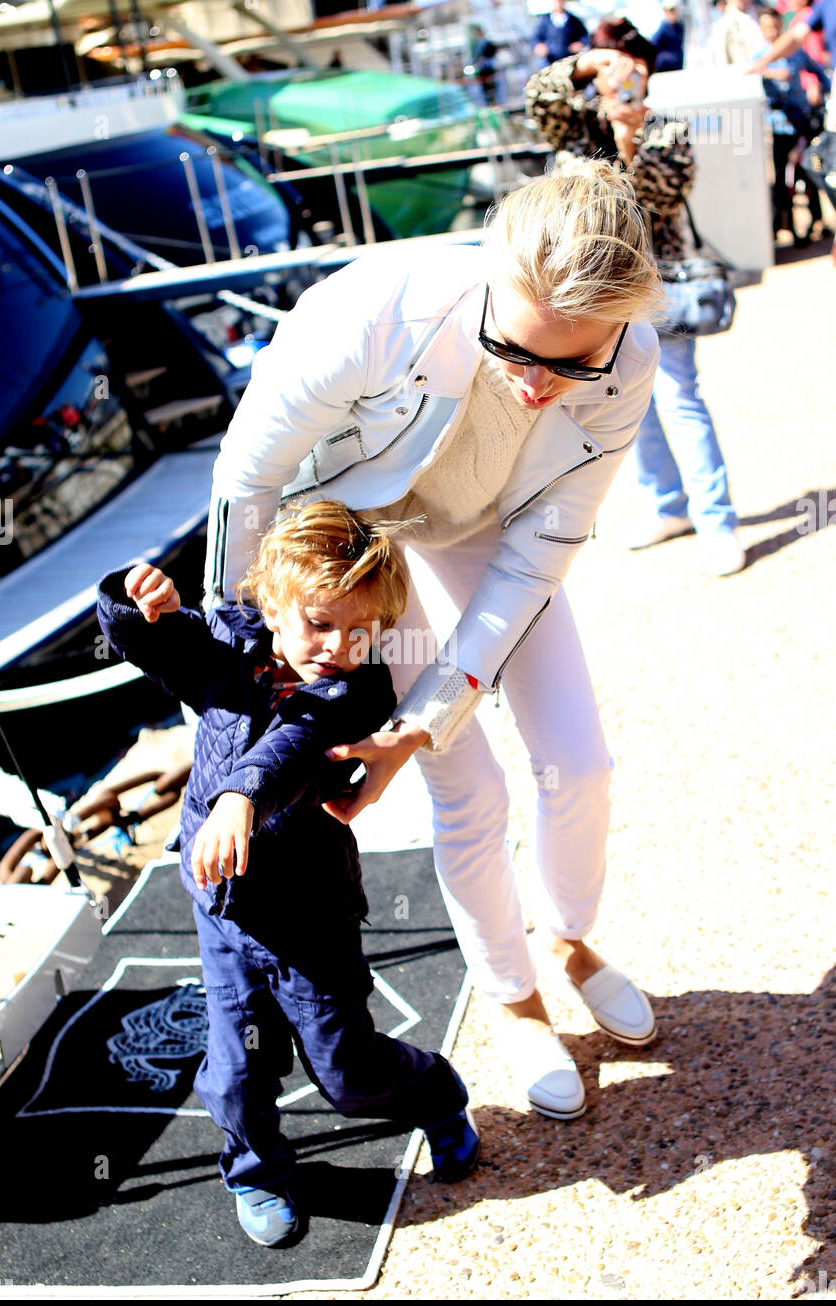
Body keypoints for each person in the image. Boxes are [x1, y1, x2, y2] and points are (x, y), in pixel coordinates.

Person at [203, 160, 665, 1128]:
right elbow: (246, 482)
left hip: (497, 523)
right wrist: (241, 663)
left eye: (573, 364)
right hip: (355, 530)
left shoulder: (630, 357)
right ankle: (513, 995)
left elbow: (540, 551)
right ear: (487, 279)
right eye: (516, 351)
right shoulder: (365, 315)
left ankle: (569, 942)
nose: (540, 388)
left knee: (577, 763)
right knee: (469, 784)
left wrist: (426, 714)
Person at [96, 499, 480, 1249]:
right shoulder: (222, 648)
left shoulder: (356, 691)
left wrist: (241, 797)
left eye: (363, 630)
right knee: (236, 1068)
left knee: (348, 1070)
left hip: (312, 915)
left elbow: (296, 748)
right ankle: (255, 1170)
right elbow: (150, 644)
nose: (340, 645)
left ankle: (435, 1090)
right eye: (320, 623)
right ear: (270, 604)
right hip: (224, 910)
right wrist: (132, 597)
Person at [526, 20, 746, 575]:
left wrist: (630, 143)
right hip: (594, 293)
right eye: (611, 67)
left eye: (632, 68)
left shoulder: (667, 131)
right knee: (625, 404)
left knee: (678, 396)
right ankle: (667, 506)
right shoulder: (576, 127)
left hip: (657, 284)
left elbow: (662, 197)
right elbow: (537, 97)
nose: (623, 79)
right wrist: (585, 64)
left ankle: (718, 521)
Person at [755, 7, 829, 238]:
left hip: (801, 124)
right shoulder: (759, 58)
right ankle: (785, 225)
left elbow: (819, 72)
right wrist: (768, 73)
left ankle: (816, 221)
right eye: (767, 26)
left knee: (808, 172)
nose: (772, 31)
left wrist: (823, 92)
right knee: (781, 181)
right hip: (777, 127)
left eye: (775, 25)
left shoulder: (795, 52)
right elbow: (748, 77)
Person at [532, 0, 589, 64]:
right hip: (549, 60)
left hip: (569, 59)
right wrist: (539, 46)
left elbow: (584, 36)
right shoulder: (544, 20)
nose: (558, 3)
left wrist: (580, 44)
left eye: (560, 1)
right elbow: (536, 37)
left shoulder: (573, 20)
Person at [651, 1, 686, 71]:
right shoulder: (663, 28)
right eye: (668, 11)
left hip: (678, 65)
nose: (671, 13)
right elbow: (653, 46)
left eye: (673, 10)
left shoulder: (680, 26)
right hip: (665, 66)